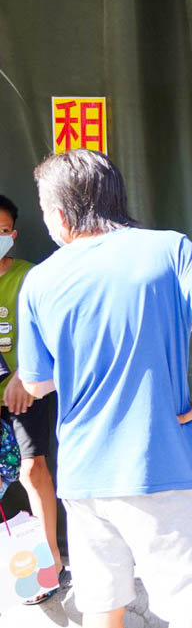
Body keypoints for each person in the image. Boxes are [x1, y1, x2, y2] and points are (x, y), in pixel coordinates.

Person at [17, 150, 192, 628]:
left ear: (60, 214)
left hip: (84, 477)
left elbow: (37, 382)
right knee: (189, 611)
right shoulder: (169, 249)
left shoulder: (39, 281)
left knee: (102, 607)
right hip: (166, 467)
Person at [0, 193, 63, 604]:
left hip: (26, 393)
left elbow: (50, 332)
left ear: (14, 235)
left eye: (2, 231)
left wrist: (24, 375)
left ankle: (51, 561)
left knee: (31, 469)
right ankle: (15, 563)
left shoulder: (28, 276)